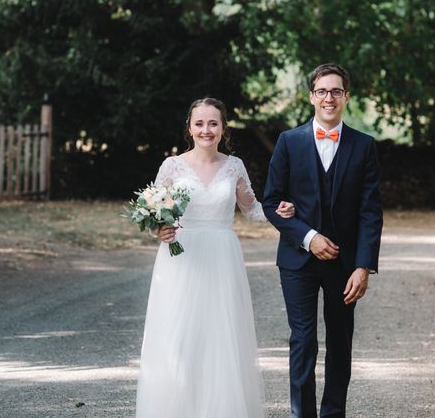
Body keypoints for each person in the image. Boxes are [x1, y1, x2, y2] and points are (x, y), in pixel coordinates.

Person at [135, 97, 295, 418]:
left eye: (213, 123)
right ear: (189, 128)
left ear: (223, 128)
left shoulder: (234, 166)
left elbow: (251, 210)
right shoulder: (172, 166)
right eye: (200, 123)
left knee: (220, 336)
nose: (206, 130)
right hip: (182, 258)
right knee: (179, 335)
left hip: (222, 258)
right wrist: (160, 230)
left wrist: (280, 212)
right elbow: (154, 213)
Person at [262, 63, 383, 418]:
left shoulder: (364, 146)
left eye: (336, 91)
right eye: (322, 91)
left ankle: (333, 413)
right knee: (303, 340)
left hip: (345, 264)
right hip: (297, 261)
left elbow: (370, 212)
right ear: (311, 96)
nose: (328, 98)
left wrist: (363, 266)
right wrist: (308, 237)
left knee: (341, 342)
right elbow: (271, 201)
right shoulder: (289, 142)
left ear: (346, 96)